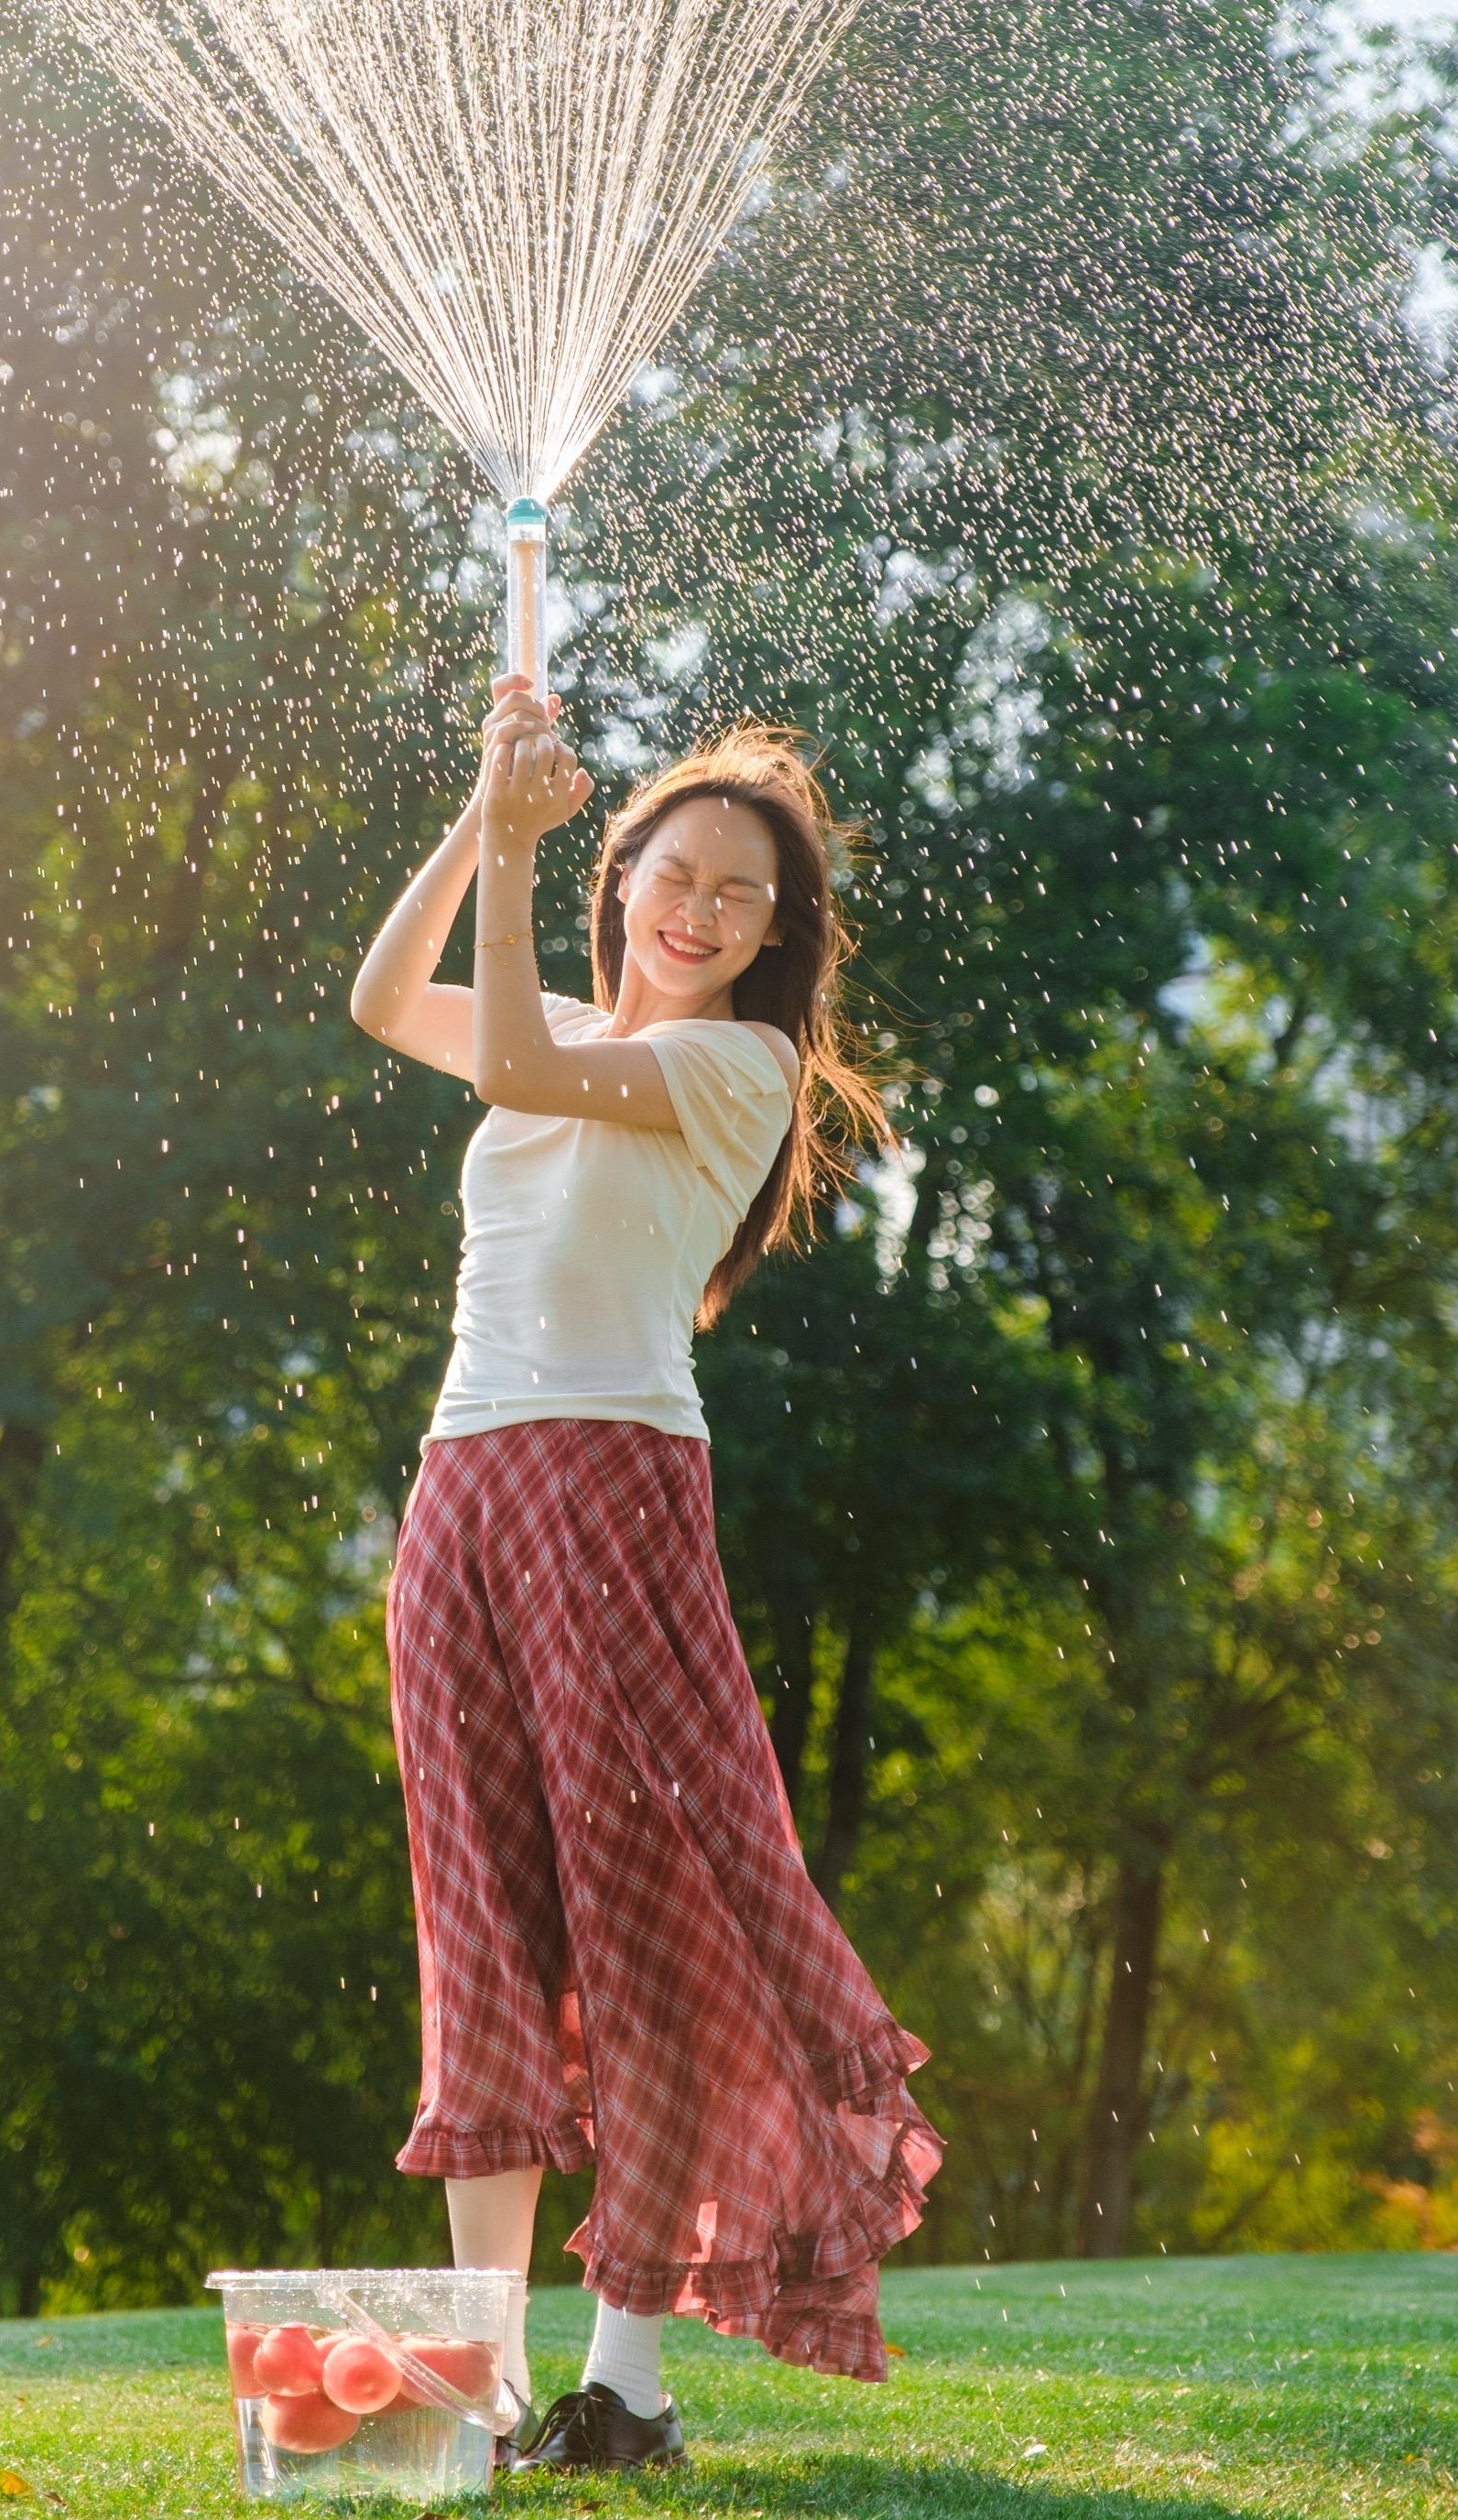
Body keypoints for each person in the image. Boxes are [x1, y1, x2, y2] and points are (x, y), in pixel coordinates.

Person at [349, 676, 947, 2474]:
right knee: (485, 1953)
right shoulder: (582, 1016)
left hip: (612, 1492)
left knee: (641, 1937)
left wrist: (520, 857)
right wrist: (483, 821)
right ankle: (480, 2398)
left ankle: (626, 2390)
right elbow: (387, 1002)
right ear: (623, 886)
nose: (694, 909)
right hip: (461, 1496)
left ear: (772, 940)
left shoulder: (738, 1067)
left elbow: (525, 1061)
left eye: (737, 896)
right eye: (669, 873)